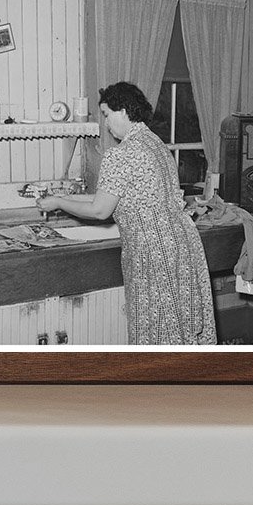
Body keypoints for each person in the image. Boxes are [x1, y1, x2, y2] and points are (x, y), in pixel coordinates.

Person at [37, 81, 217, 346]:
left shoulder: (121, 154)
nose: (106, 123)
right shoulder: (154, 143)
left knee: (157, 333)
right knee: (180, 328)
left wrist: (60, 203)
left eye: (107, 115)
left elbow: (100, 210)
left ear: (122, 111)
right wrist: (60, 199)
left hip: (152, 254)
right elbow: (112, 195)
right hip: (180, 246)